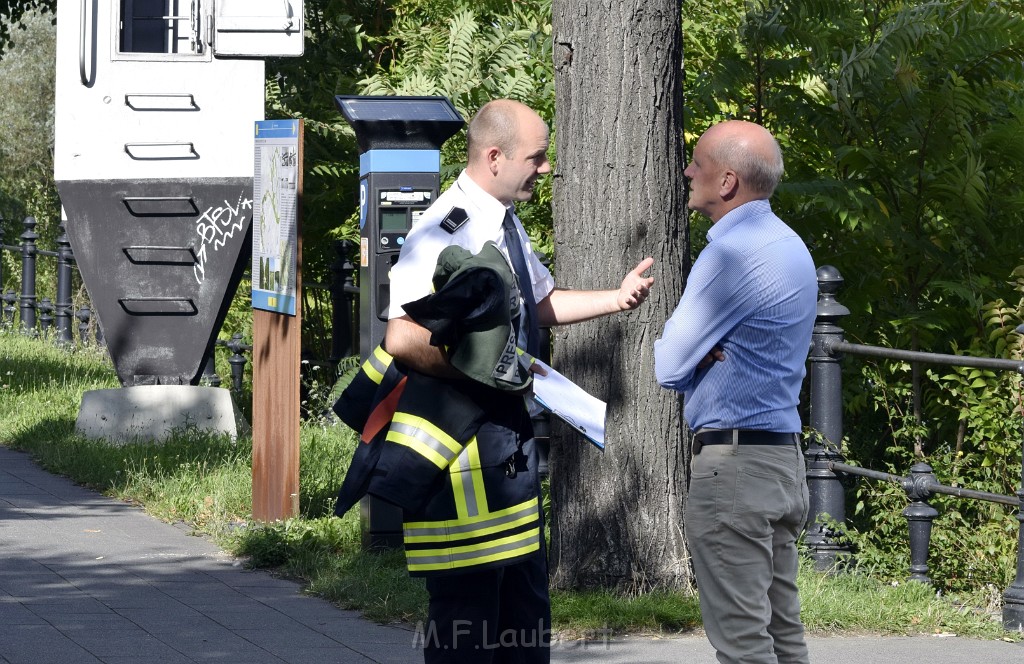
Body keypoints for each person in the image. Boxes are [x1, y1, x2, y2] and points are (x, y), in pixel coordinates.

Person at [384, 98, 655, 664]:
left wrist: (617, 298)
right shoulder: (444, 231)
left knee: (524, 617)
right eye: (537, 157)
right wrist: (487, 377)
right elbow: (402, 340)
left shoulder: (503, 222)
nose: (545, 167)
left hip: (507, 448)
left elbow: (538, 304)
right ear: (495, 156)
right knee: (468, 621)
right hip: (463, 454)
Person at [654, 120, 817, 664]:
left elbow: (668, 363)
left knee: (744, 644)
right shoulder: (789, 244)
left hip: (735, 468)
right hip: (781, 462)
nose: (686, 170)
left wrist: (697, 351)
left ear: (727, 182)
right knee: (782, 634)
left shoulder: (730, 253)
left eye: (696, 162)